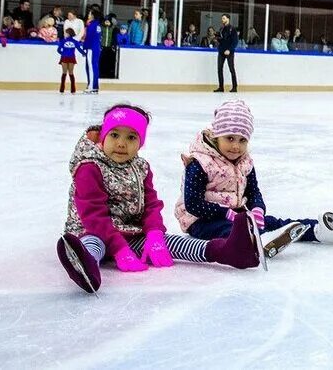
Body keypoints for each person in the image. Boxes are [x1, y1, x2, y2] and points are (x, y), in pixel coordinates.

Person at [55, 104, 264, 294]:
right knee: (93, 243)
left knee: (170, 243)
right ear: (103, 136)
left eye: (131, 138)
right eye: (115, 135)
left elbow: (151, 205)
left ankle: (225, 252)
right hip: (93, 231)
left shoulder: (141, 167)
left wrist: (154, 234)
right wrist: (118, 248)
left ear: (141, 142)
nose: (121, 144)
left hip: (131, 233)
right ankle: (86, 264)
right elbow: (93, 216)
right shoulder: (89, 168)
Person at [176, 101, 333, 257]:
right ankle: (259, 240)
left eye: (242, 140)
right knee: (230, 231)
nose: (236, 146)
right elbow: (192, 204)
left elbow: (253, 191)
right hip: (201, 220)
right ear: (216, 135)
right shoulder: (199, 162)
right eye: (229, 138)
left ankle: (317, 230)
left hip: (238, 213)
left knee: (273, 222)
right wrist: (225, 213)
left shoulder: (245, 162)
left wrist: (257, 209)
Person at [214, 14, 238, 93]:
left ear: (228, 19)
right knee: (219, 69)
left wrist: (229, 49)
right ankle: (221, 87)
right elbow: (222, 39)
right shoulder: (221, 29)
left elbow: (235, 41)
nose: (222, 20)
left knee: (231, 69)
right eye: (222, 19)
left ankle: (234, 87)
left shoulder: (232, 29)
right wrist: (217, 39)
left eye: (224, 18)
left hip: (229, 52)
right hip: (221, 51)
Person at [56, 28, 84, 94]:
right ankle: (72, 90)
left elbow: (59, 50)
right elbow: (79, 49)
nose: (64, 34)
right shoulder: (73, 41)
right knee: (69, 73)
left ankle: (63, 89)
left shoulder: (64, 41)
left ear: (68, 34)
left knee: (65, 73)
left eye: (65, 33)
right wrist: (84, 53)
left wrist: (63, 53)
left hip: (66, 58)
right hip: (69, 58)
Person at [83, 8, 103, 94]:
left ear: (93, 16)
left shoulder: (92, 25)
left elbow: (89, 37)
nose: (88, 15)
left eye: (89, 14)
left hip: (91, 48)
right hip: (95, 48)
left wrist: (85, 47)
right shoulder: (97, 25)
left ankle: (92, 86)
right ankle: (94, 86)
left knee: (91, 67)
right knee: (94, 66)